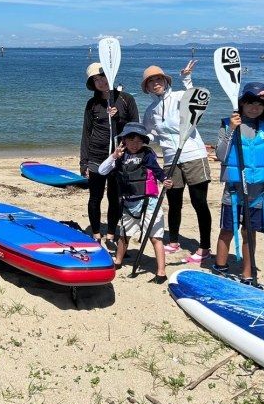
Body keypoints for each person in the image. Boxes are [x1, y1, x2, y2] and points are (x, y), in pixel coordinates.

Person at [213, 82, 264, 285]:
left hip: (258, 191)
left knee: (249, 232)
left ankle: (247, 273)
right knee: (227, 230)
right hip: (233, 190)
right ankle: (220, 267)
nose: (254, 107)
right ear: (241, 104)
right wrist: (231, 128)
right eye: (249, 103)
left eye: (260, 103)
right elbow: (221, 154)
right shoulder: (228, 124)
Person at [142, 61, 213, 264]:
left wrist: (187, 78)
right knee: (174, 202)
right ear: (147, 87)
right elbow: (152, 134)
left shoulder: (179, 96)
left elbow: (197, 102)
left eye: (158, 79)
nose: (156, 83)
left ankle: (204, 247)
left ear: (165, 81)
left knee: (199, 203)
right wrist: (140, 139)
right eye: (151, 81)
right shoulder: (151, 110)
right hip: (171, 158)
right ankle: (173, 241)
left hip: (193, 155)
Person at [98, 123, 173, 283]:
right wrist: (114, 156)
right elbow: (101, 171)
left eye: (139, 141)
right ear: (124, 140)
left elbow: (158, 171)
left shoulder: (147, 155)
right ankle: (118, 261)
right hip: (129, 203)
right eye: (131, 140)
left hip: (149, 202)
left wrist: (166, 180)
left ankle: (161, 272)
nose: (135, 144)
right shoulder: (119, 156)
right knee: (124, 236)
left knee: (155, 238)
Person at [79, 63, 139, 248]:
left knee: (116, 198)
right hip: (96, 157)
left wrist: (118, 117)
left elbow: (134, 129)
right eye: (96, 80)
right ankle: (96, 234)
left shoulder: (126, 99)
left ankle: (111, 235)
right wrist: (84, 162)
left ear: (110, 76)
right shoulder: (92, 104)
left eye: (102, 77)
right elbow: (86, 133)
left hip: (119, 156)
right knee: (95, 197)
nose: (100, 82)